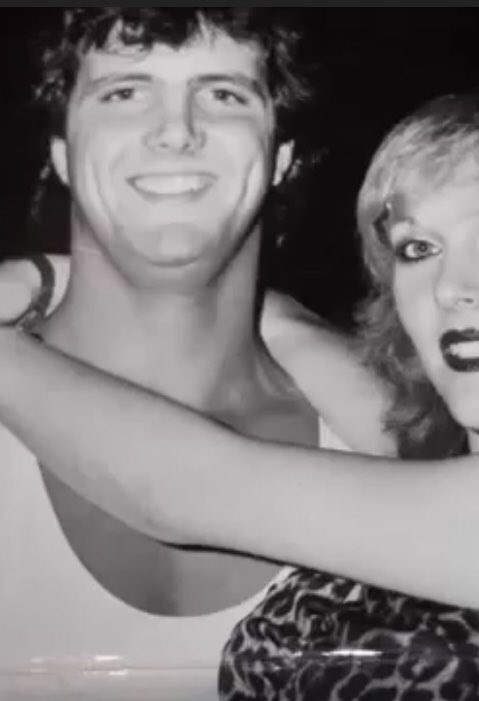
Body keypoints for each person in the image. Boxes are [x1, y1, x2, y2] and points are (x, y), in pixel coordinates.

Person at [0, 81, 479, 701]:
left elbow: (181, 488)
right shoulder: (431, 467)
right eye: (417, 249)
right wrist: (53, 278)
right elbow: (280, 325)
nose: (450, 288)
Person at [0, 7, 351, 700]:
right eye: (125, 92)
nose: (176, 130)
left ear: (281, 156)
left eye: (222, 94)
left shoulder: (391, 435)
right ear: (62, 152)